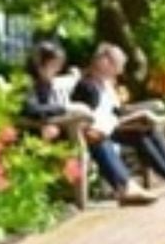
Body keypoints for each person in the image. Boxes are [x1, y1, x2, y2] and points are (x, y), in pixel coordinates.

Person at [21, 40, 155, 206]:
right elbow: (30, 109)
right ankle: (125, 187)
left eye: (58, 65)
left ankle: (126, 186)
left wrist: (61, 114)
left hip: (60, 129)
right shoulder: (27, 82)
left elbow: (47, 109)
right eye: (54, 65)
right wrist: (64, 108)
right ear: (40, 63)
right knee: (94, 138)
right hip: (38, 136)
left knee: (96, 136)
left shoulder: (45, 81)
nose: (57, 70)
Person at [72, 43, 165, 195]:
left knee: (149, 130)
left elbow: (116, 110)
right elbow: (84, 119)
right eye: (118, 65)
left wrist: (137, 115)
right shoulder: (87, 86)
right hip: (101, 132)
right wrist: (127, 119)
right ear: (104, 62)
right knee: (141, 134)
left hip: (112, 126)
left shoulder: (106, 83)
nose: (120, 70)